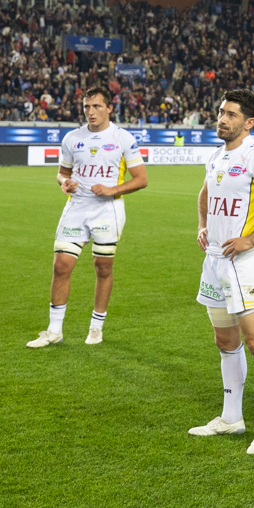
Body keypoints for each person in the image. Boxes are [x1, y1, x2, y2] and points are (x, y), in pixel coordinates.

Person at [188, 89, 254, 455]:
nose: (222, 119)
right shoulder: (217, 155)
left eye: (231, 114)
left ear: (249, 123)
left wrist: (251, 238)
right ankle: (231, 417)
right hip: (214, 261)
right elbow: (205, 193)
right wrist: (202, 225)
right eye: (221, 112)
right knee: (225, 342)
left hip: (243, 263)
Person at [28, 86, 148, 348]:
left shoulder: (122, 138)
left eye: (96, 106)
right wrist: (64, 182)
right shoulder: (72, 138)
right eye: (86, 107)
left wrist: (111, 190)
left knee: (102, 267)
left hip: (108, 210)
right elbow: (62, 173)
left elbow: (141, 179)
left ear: (109, 108)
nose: (90, 112)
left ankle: (96, 327)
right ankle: (54, 330)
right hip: (76, 208)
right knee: (61, 266)